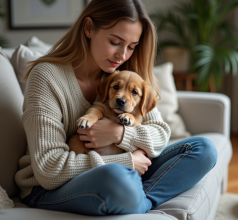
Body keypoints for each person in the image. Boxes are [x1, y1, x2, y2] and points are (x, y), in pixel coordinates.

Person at [15, 0, 218, 215]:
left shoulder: (123, 74)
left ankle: (139, 201)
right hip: (48, 189)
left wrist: (120, 135)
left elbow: (160, 134)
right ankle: (132, 196)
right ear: (89, 28)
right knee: (119, 178)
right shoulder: (46, 77)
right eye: (115, 42)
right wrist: (126, 161)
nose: (122, 56)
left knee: (203, 149)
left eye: (131, 47)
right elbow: (49, 169)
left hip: (118, 175)